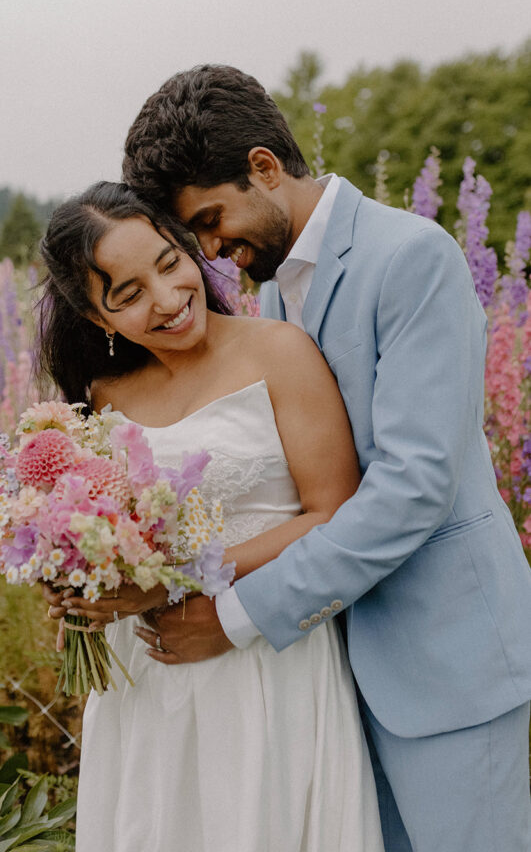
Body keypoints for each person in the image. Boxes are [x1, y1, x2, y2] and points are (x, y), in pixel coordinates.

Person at [118, 65, 531, 852]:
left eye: (210, 219)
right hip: (336, 681)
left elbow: (412, 489)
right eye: (192, 236)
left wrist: (236, 619)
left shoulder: (411, 256)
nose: (210, 252)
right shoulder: (275, 293)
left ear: (264, 168)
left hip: (448, 665)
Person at [37, 181, 385, 852]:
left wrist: (173, 582)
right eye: (129, 294)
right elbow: (93, 529)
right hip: (146, 677)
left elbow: (333, 512)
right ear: (99, 319)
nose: (167, 300)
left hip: (264, 657)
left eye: (169, 263)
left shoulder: (278, 349)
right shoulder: (101, 397)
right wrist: (72, 583)